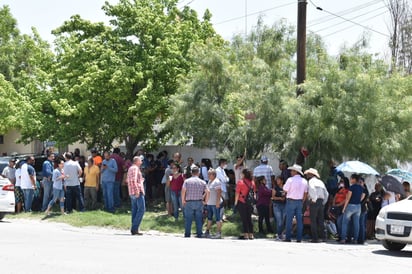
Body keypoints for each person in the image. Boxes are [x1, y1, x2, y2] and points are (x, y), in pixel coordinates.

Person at [283, 164, 308, 242]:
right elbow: (305, 193)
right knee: (299, 220)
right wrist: (302, 201)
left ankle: (288, 238)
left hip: (291, 200)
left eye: (292, 170)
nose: (291, 172)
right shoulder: (304, 181)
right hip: (299, 201)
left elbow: (285, 190)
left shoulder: (290, 180)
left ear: (295, 171)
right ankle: (299, 238)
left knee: (289, 220)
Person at [181, 166, 207, 238]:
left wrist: (183, 200)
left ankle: (187, 234)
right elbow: (208, 191)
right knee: (199, 219)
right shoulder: (203, 182)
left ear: (191, 173)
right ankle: (199, 234)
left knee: (188, 219)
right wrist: (205, 201)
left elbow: (183, 191)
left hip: (189, 202)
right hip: (199, 202)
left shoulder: (187, 181)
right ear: (198, 173)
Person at [305, 168, 329, 243]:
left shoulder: (311, 181)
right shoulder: (320, 182)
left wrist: (314, 198)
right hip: (321, 201)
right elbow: (326, 193)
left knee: (313, 220)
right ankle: (324, 237)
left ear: (312, 175)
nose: (308, 175)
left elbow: (312, 189)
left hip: (314, 201)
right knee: (321, 220)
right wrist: (324, 202)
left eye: (309, 173)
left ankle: (315, 238)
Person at [340, 174, 365, 244]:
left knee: (344, 223)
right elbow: (362, 196)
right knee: (356, 223)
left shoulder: (352, 187)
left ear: (354, 179)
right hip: (358, 206)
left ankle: (343, 239)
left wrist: (344, 208)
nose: (350, 180)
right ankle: (355, 239)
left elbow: (348, 198)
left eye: (351, 178)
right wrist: (358, 201)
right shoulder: (361, 187)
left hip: (350, 206)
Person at [234, 168, 256, 240]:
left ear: (244, 174)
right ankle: (251, 234)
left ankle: (246, 234)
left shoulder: (240, 182)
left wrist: (235, 203)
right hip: (250, 203)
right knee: (249, 218)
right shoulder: (252, 182)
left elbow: (237, 193)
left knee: (244, 219)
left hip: (242, 202)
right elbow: (254, 193)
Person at [127, 155, 145, 235]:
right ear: (136, 161)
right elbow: (133, 180)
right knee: (141, 209)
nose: (141, 162)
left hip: (132, 191)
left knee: (134, 210)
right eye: (140, 160)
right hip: (137, 191)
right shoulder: (135, 168)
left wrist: (141, 180)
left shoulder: (130, 168)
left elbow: (130, 180)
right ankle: (134, 228)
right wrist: (137, 190)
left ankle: (135, 228)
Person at [204, 168, 223, 239]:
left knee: (218, 218)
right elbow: (207, 192)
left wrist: (217, 203)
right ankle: (207, 231)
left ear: (214, 175)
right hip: (209, 203)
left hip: (215, 203)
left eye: (209, 174)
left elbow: (219, 193)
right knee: (209, 218)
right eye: (208, 174)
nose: (208, 175)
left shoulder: (217, 182)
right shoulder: (209, 181)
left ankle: (219, 233)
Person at [272, 176, 286, 240]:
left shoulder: (285, 188)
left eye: (278, 180)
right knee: (279, 220)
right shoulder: (275, 188)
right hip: (276, 205)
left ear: (282, 181)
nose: (277, 181)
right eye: (277, 180)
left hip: (284, 205)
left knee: (283, 220)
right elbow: (273, 197)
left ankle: (281, 234)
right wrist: (280, 198)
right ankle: (278, 234)